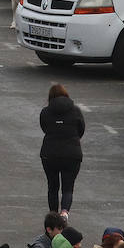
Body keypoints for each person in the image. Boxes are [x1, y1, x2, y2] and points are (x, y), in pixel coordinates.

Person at [39, 84, 85, 218]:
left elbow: (44, 128)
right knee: (68, 187)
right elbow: (81, 129)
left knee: (52, 186)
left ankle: (53, 215)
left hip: (50, 153)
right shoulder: (75, 110)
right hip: (72, 154)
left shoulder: (45, 112)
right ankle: (64, 212)